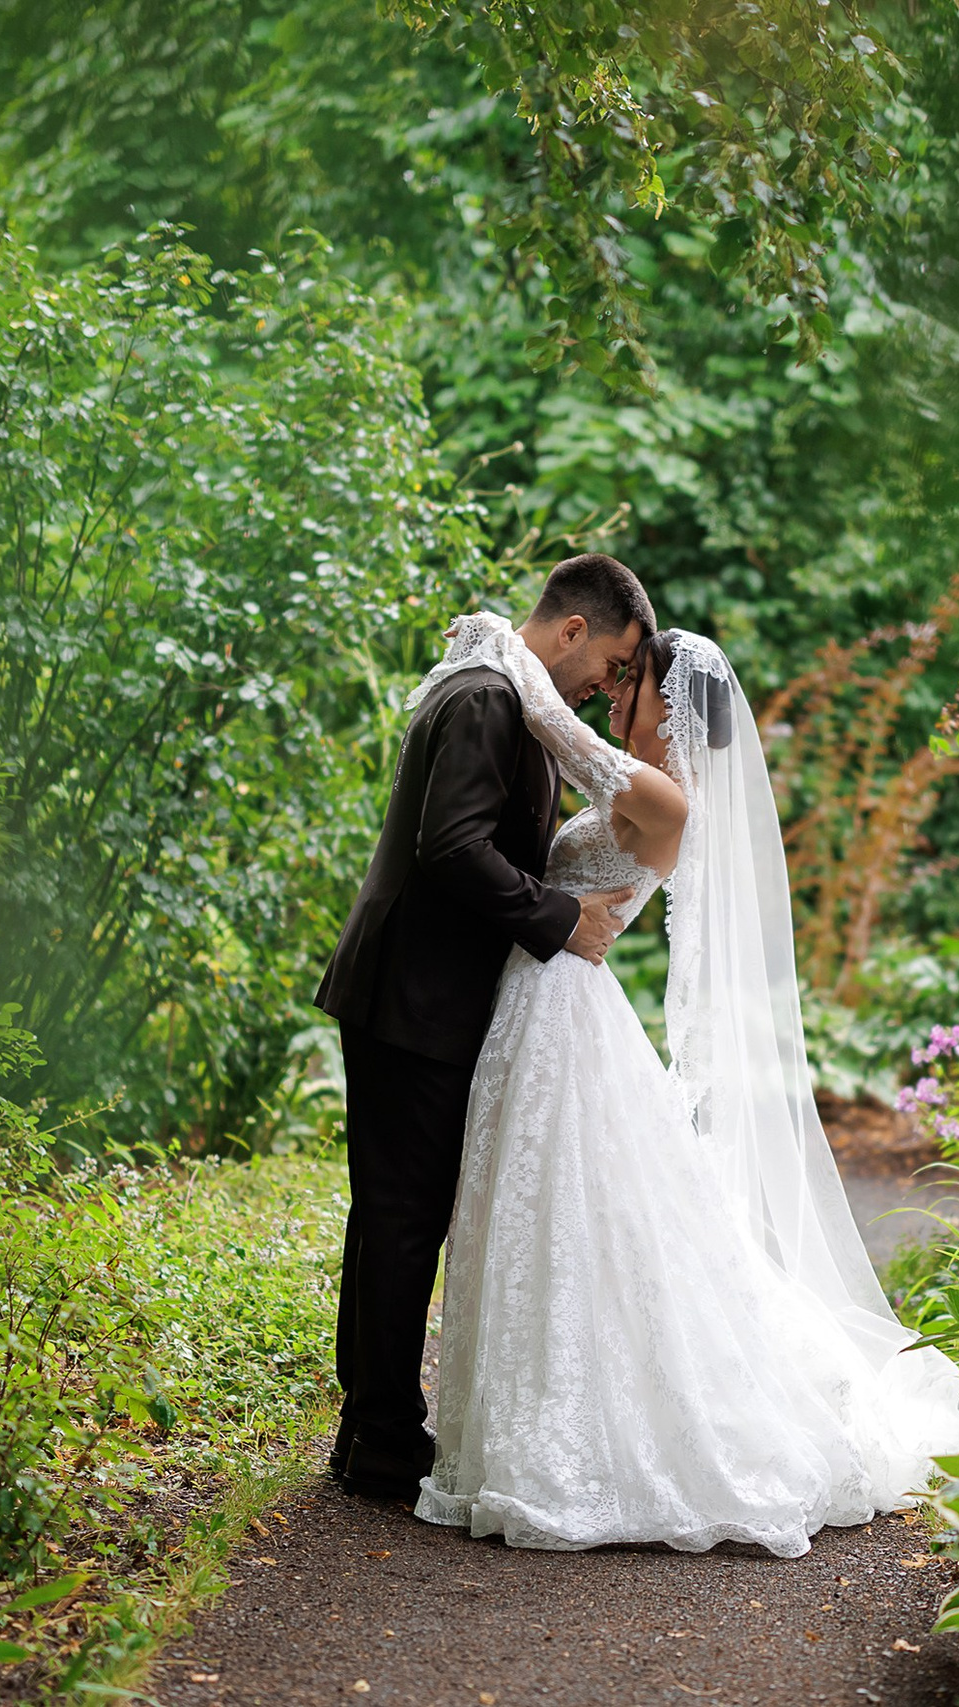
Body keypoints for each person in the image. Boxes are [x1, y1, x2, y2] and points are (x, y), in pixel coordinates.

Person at [414, 614, 959, 1555]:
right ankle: (518, 1420)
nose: (616, 687)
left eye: (630, 678)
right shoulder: (646, 784)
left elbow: (557, 726)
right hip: (544, 997)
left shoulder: (667, 799)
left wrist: (498, 641)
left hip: (565, 1003)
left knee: (562, 1208)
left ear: (666, 708)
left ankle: (566, 1438)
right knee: (534, 1209)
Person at [312, 553, 651, 1502]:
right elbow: (451, 845)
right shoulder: (490, 699)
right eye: (612, 664)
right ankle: (381, 1440)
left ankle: (369, 1430)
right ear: (574, 628)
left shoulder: (506, 692)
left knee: (395, 1216)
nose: (606, 688)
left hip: (423, 994)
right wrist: (559, 920)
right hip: (410, 995)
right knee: (401, 1217)